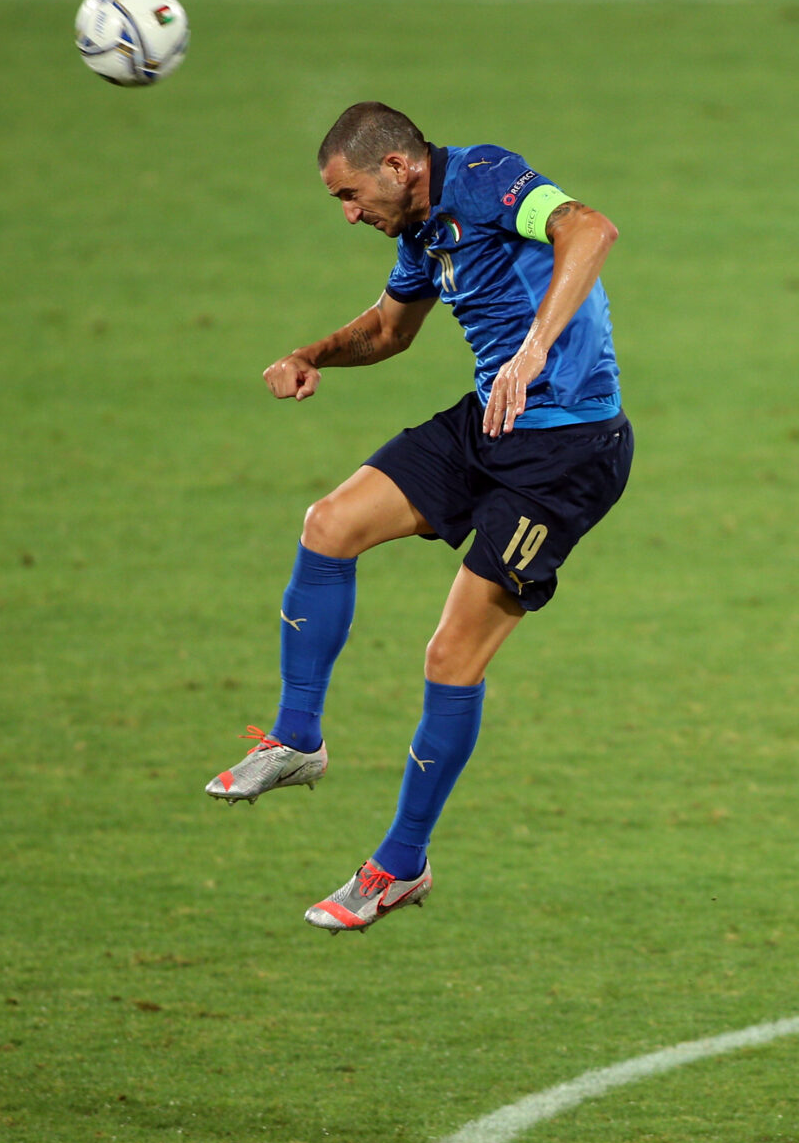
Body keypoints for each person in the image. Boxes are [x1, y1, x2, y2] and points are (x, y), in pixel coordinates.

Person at [207, 101, 632, 934]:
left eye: (351, 194)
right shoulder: (421, 232)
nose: (349, 213)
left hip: (567, 453)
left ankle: (400, 864)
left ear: (400, 167)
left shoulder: (486, 179)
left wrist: (535, 347)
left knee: (449, 655)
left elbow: (592, 230)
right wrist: (310, 354)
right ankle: (297, 737)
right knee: (329, 523)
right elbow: (390, 332)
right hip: (490, 422)